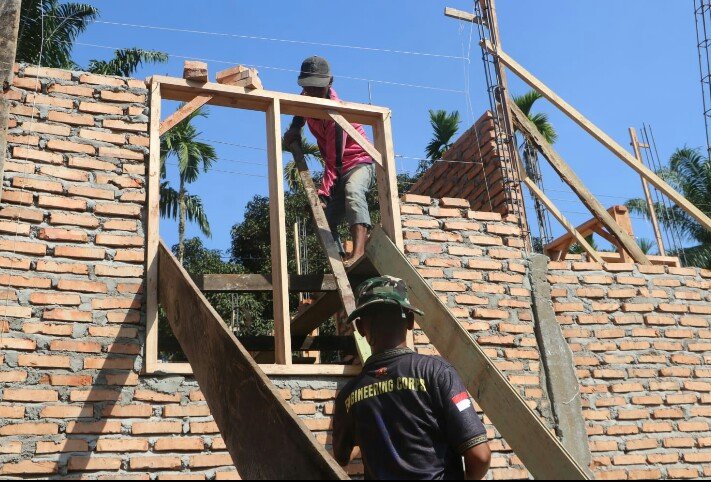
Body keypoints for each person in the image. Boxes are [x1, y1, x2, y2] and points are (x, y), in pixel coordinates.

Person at [332, 276, 492, 480]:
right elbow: (480, 456)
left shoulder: (349, 396)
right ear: (410, 320)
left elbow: (341, 457)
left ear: (361, 328)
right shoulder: (436, 372)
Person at [283, 56, 375, 264]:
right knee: (323, 219)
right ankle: (339, 260)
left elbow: (335, 162)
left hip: (358, 162)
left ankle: (358, 253)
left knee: (353, 192)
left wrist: (323, 196)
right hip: (337, 169)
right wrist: (295, 128)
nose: (312, 92)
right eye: (308, 87)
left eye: (317, 88)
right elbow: (300, 111)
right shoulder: (307, 97)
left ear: (329, 83)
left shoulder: (336, 117)